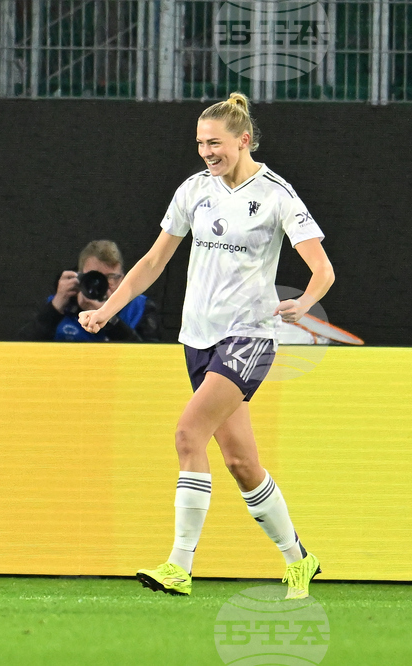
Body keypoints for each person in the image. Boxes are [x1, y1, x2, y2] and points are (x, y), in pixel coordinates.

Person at [79, 93, 333, 600]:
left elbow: (322, 269)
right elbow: (153, 262)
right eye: (200, 144)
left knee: (187, 432)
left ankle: (179, 565)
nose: (206, 153)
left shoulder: (277, 193)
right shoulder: (195, 189)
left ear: (243, 140)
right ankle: (300, 560)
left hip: (249, 337)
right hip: (197, 340)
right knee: (242, 464)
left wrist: (304, 302)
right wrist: (106, 309)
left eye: (215, 143)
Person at [21, 240, 161, 342]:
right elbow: (22, 349)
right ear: (80, 276)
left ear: (122, 279)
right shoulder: (59, 305)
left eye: (111, 278)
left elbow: (149, 359)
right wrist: (55, 307)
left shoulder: (140, 308)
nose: (102, 285)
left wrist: (109, 318)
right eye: (94, 278)